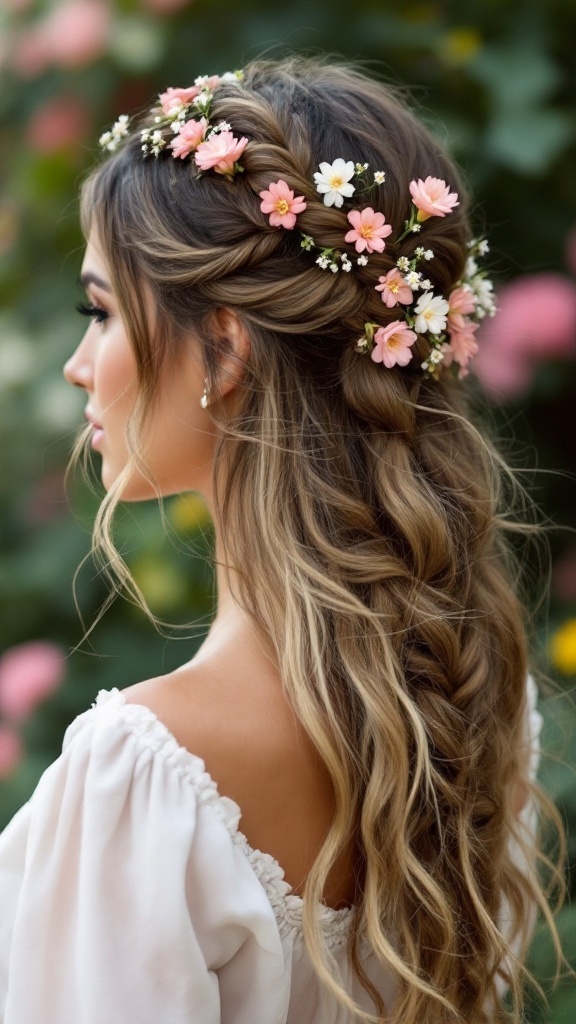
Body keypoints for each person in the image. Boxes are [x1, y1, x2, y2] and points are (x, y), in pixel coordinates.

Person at [0, 57, 563, 1023]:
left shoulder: (142, 776)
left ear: (225, 346)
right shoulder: (475, 697)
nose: (78, 364)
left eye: (102, 312)